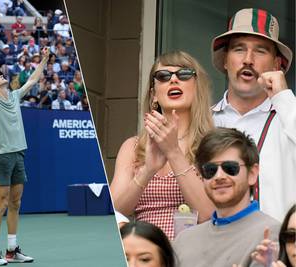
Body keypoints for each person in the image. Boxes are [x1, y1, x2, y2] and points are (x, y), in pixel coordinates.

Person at [109, 51, 215, 239]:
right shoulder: (132, 147)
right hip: (144, 252)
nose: (174, 80)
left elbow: (209, 213)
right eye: (163, 76)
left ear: (197, 87)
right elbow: (114, 212)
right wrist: (148, 170)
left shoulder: (212, 143)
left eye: (184, 74)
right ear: (153, 95)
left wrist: (173, 152)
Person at [211, 8, 295, 221]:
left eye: (260, 51)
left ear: (277, 65)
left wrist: (283, 96)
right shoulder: (205, 121)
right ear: (225, 60)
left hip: (278, 249)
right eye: (239, 49)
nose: (248, 59)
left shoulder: (287, 115)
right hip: (217, 247)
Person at [0, 43, 50, 265]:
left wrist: (44, 60)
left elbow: (33, 79)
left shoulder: (14, 96)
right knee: (1, 203)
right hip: (2, 156)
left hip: (18, 155)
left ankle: (12, 250)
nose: (0, 76)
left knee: (16, 202)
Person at [173, 127, 280, 267]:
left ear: (252, 174)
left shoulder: (271, 235)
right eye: (210, 170)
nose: (219, 176)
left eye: (230, 168)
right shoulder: (184, 240)